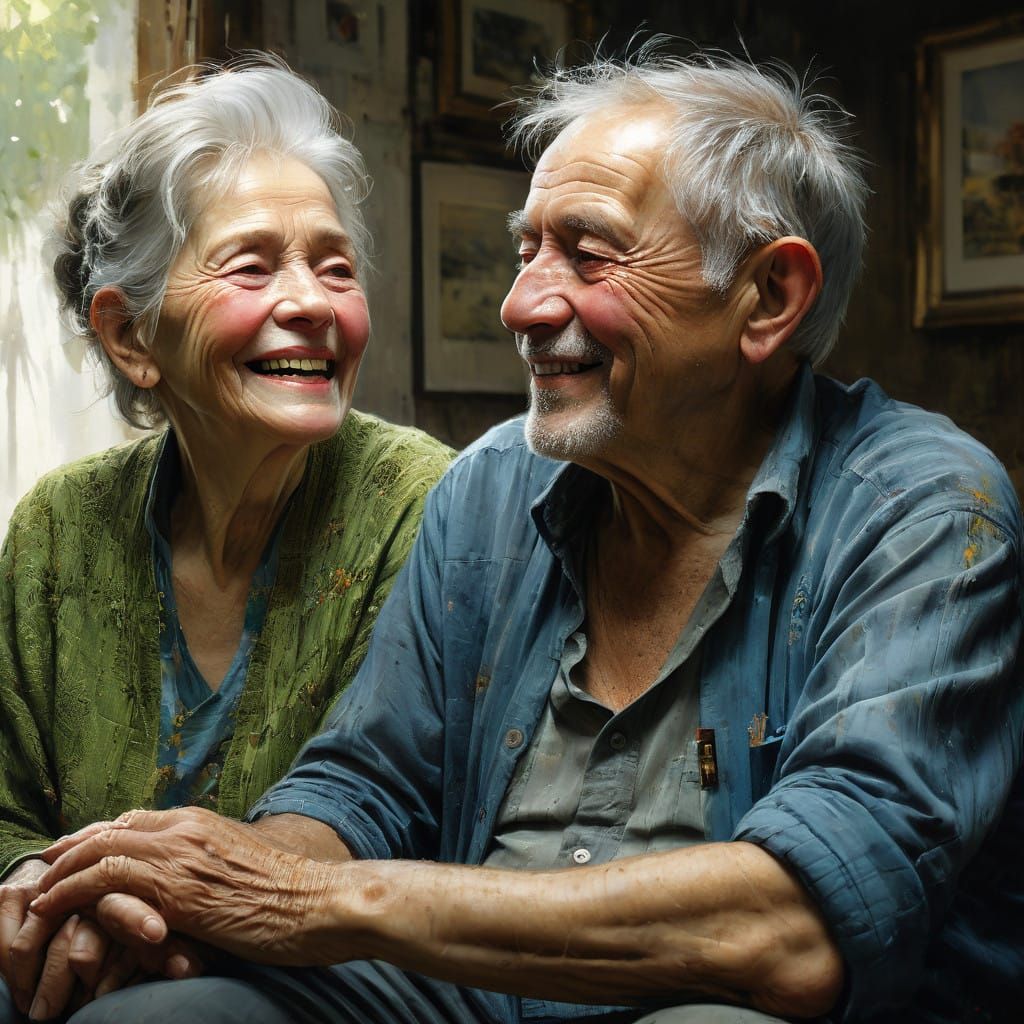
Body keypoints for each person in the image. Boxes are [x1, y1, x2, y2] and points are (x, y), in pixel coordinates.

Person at [18, 48, 1024, 1024]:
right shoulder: (495, 484)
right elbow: (363, 786)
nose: (521, 305)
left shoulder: (924, 511)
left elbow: (796, 930)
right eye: (524, 250)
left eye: (587, 253)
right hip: (465, 994)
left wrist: (302, 902)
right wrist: (189, 903)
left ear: (767, 297)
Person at [0, 59, 453, 1021]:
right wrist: (37, 881)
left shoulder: (424, 505)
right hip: (81, 951)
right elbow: (2, 805)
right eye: (253, 265)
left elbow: (403, 817)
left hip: (330, 978)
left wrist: (146, 916)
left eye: (336, 266)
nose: (314, 303)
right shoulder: (57, 531)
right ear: (131, 339)